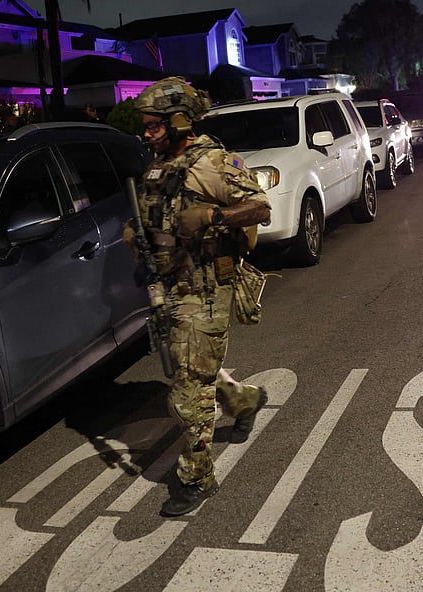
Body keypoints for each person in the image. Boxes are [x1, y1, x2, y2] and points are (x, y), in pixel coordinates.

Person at [127, 76, 272, 516]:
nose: (147, 133)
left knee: (188, 388)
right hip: (170, 285)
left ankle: (197, 477)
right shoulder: (158, 167)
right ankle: (244, 401)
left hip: (207, 288)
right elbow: (158, 218)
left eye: (154, 126)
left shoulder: (213, 162)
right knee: (194, 372)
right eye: (146, 126)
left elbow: (260, 207)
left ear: (179, 121)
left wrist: (211, 214)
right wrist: (138, 236)